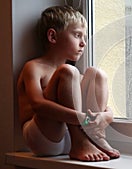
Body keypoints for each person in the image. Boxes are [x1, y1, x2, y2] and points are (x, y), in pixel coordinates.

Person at [17, 5, 120, 162]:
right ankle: (81, 142)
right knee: (68, 71)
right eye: (77, 35)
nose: (83, 43)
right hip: (43, 138)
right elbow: (38, 105)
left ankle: (95, 137)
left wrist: (107, 116)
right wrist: (82, 119)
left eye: (84, 37)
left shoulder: (74, 75)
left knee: (96, 74)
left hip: (69, 136)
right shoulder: (34, 67)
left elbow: (99, 109)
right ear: (53, 36)